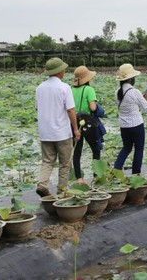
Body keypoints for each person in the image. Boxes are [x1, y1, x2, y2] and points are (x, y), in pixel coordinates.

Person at [36, 57, 81, 197]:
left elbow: (38, 109)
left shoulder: (39, 88)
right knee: (65, 163)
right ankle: (62, 190)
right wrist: (75, 129)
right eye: (63, 69)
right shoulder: (64, 87)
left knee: (47, 161)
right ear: (59, 72)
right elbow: (70, 110)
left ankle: (42, 184)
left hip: (45, 132)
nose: (65, 71)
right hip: (62, 132)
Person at [114, 64, 147, 174]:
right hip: (136, 125)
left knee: (126, 148)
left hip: (124, 126)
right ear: (130, 78)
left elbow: (129, 106)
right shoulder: (135, 92)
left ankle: (116, 169)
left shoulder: (117, 93)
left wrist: (141, 99)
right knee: (139, 149)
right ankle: (136, 173)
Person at [70, 66, 100, 184]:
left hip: (74, 123)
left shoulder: (70, 90)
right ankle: (96, 176)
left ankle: (79, 178)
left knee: (77, 151)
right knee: (95, 149)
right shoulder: (89, 89)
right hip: (87, 123)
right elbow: (93, 107)